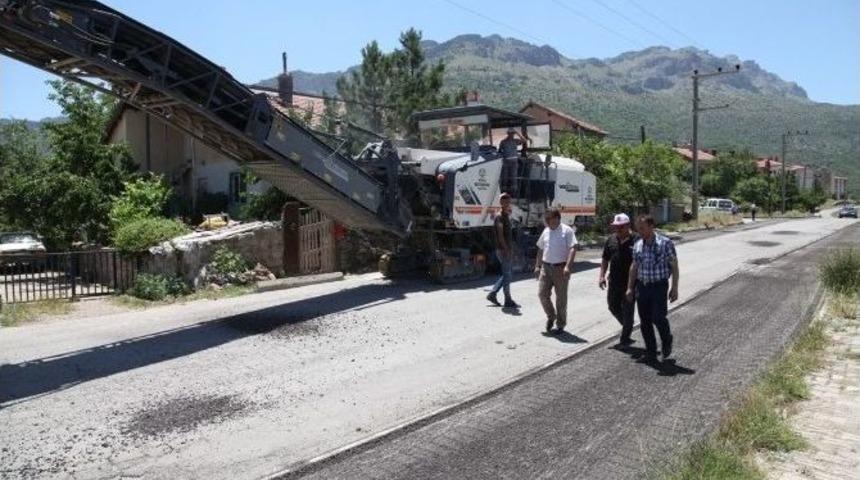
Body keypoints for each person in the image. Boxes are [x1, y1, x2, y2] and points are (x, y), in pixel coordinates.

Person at [625, 215, 680, 361]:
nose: (640, 231)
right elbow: (634, 267)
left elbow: (674, 266)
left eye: (642, 228)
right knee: (645, 321)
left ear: (651, 226)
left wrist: (674, 288)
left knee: (658, 317)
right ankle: (651, 351)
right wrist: (630, 288)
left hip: (659, 286)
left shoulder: (665, 243)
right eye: (638, 229)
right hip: (642, 287)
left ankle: (666, 339)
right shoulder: (638, 244)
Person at [599, 213, 639, 346]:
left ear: (628, 226)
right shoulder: (610, 240)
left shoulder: (637, 240)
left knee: (628, 310)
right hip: (614, 282)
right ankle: (627, 325)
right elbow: (605, 259)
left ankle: (625, 337)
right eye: (616, 227)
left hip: (631, 283)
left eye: (621, 227)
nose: (618, 229)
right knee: (612, 306)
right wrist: (601, 276)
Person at [534, 208, 577, 333]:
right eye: (548, 220)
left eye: (552, 219)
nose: (550, 222)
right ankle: (551, 316)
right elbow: (541, 249)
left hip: (561, 269)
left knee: (561, 299)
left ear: (558, 218)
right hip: (546, 268)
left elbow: (573, 249)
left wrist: (568, 266)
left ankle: (560, 324)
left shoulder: (567, 231)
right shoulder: (546, 231)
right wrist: (537, 266)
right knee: (542, 294)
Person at [487, 193, 520, 308]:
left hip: (506, 248)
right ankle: (508, 300)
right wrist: (506, 249)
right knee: (507, 274)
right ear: (500, 202)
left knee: (508, 274)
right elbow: (501, 236)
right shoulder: (499, 216)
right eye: (504, 200)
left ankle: (493, 293)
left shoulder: (506, 215)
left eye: (508, 201)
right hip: (502, 249)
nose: (507, 203)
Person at [498, 127, 529, 197]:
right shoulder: (503, 142)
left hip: (514, 162)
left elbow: (524, 140)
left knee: (513, 178)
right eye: (510, 133)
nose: (511, 135)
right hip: (506, 161)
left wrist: (518, 133)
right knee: (505, 178)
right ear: (508, 134)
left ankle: (514, 195)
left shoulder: (516, 141)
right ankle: (503, 194)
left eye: (513, 133)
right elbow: (499, 151)